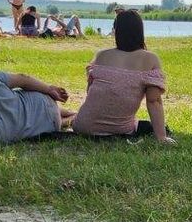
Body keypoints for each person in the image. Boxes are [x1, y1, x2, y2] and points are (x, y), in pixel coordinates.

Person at [72, 9, 174, 144]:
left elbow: (90, 92)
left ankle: (67, 117)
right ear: (140, 31)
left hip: (82, 126)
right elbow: (153, 101)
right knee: (143, 125)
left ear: (116, 30)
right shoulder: (150, 59)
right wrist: (161, 137)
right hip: (120, 129)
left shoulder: (101, 55)